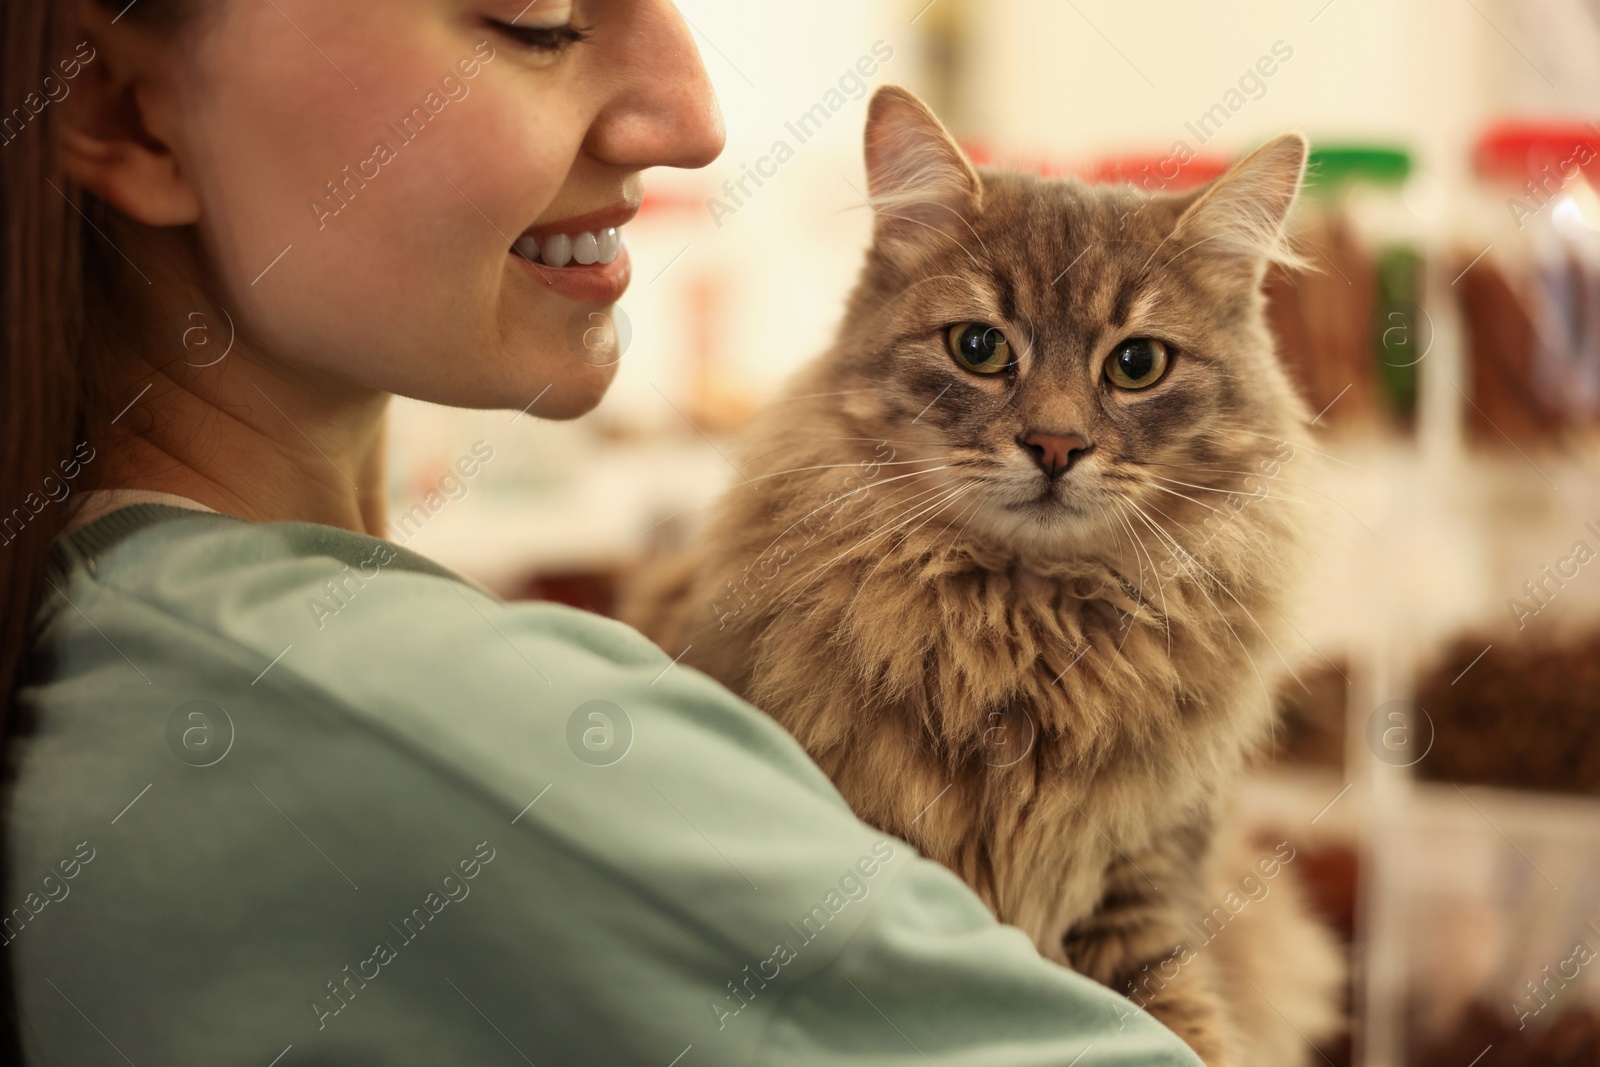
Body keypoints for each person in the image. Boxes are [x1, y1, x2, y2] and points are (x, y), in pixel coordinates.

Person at [0, 1, 1204, 1063]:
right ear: (132, 116)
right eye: (536, 17)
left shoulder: (107, 614)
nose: (692, 118)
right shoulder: (450, 742)